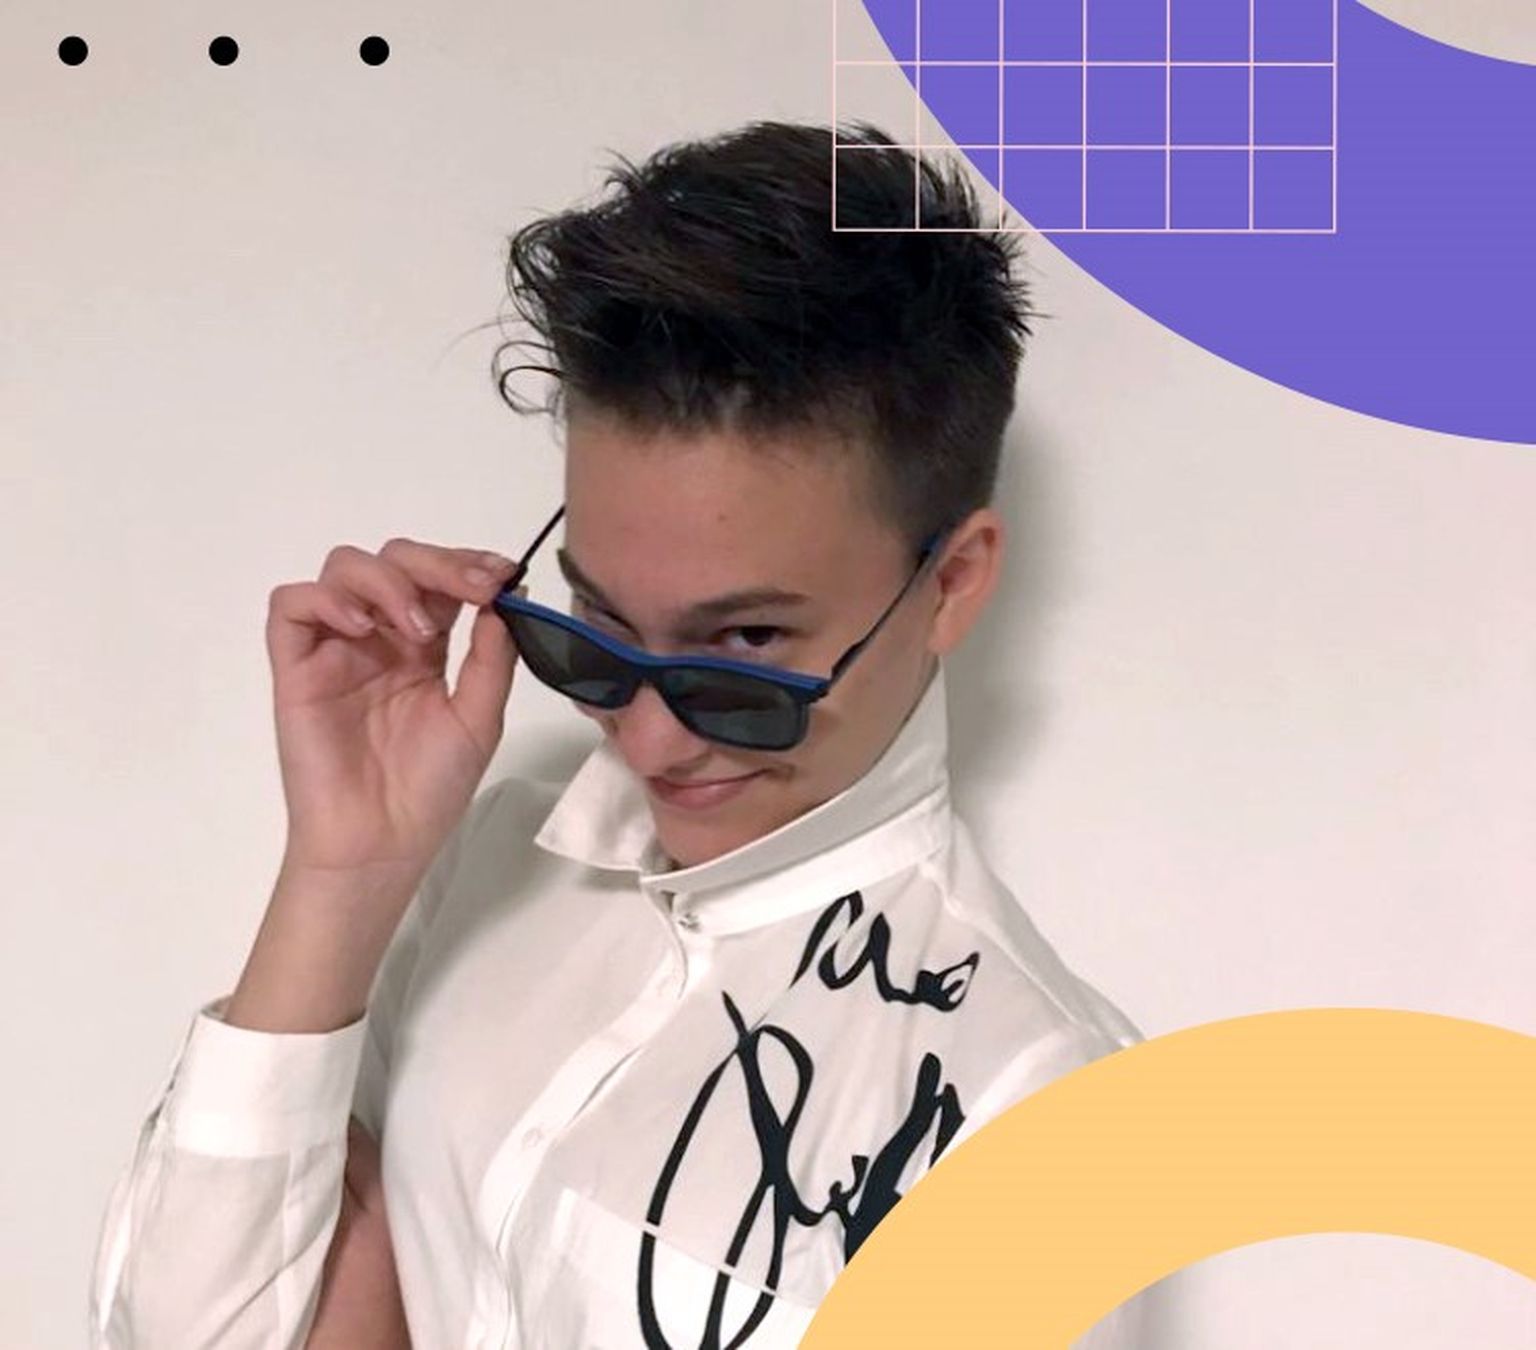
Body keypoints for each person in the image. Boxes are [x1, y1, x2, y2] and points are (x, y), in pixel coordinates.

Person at [87, 119, 1153, 1348]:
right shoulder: (489, 864)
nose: (647, 743)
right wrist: (341, 875)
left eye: (744, 647)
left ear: (952, 583)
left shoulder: (1034, 1117)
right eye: (594, 629)